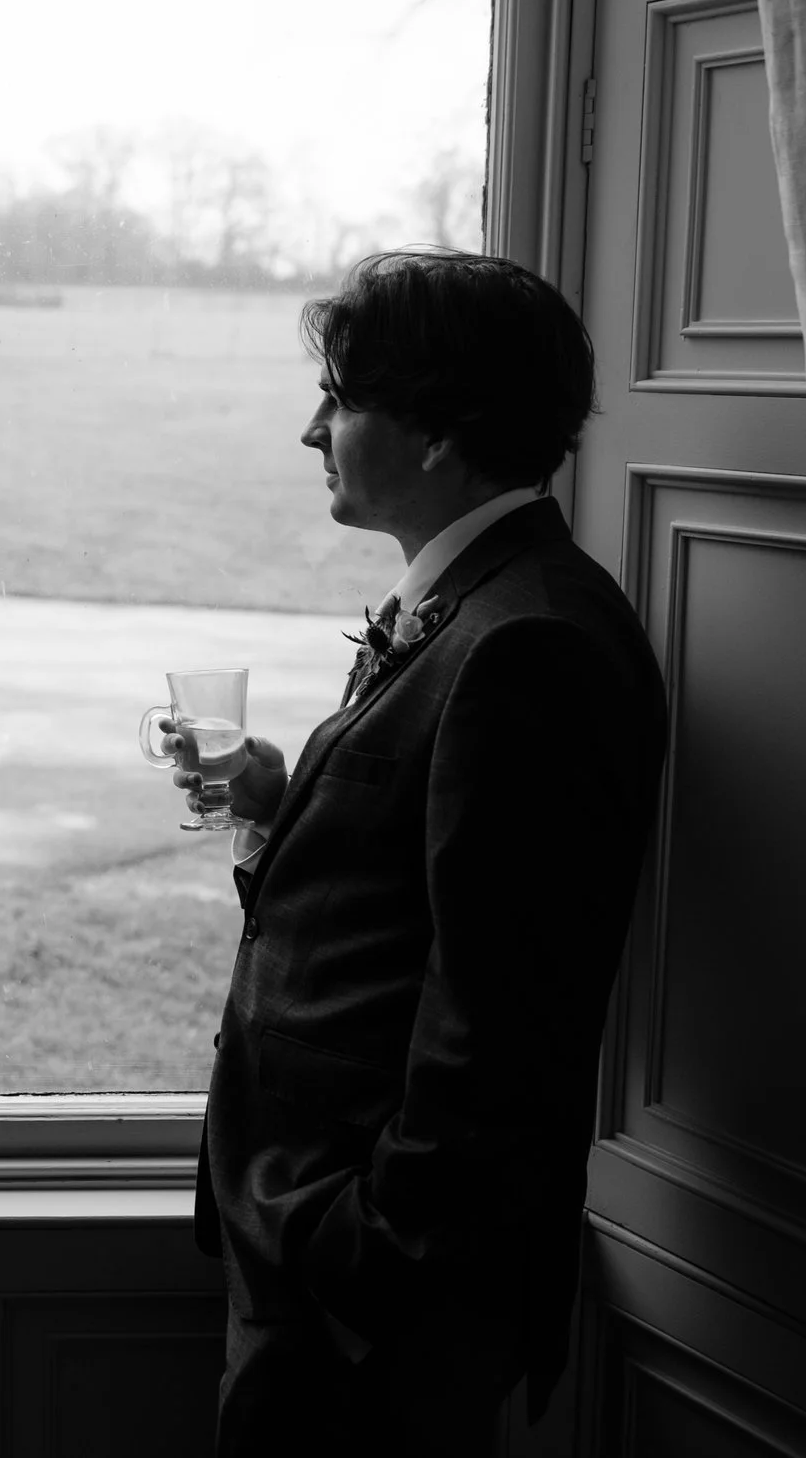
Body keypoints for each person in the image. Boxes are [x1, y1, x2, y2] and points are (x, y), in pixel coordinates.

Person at [168, 250, 667, 1455]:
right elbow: (410, 897)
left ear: (439, 433)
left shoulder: (527, 642)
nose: (311, 431)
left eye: (338, 398)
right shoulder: (471, 604)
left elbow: (501, 1016)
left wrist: (360, 1248)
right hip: (325, 1258)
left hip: (376, 1301)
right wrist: (279, 804)